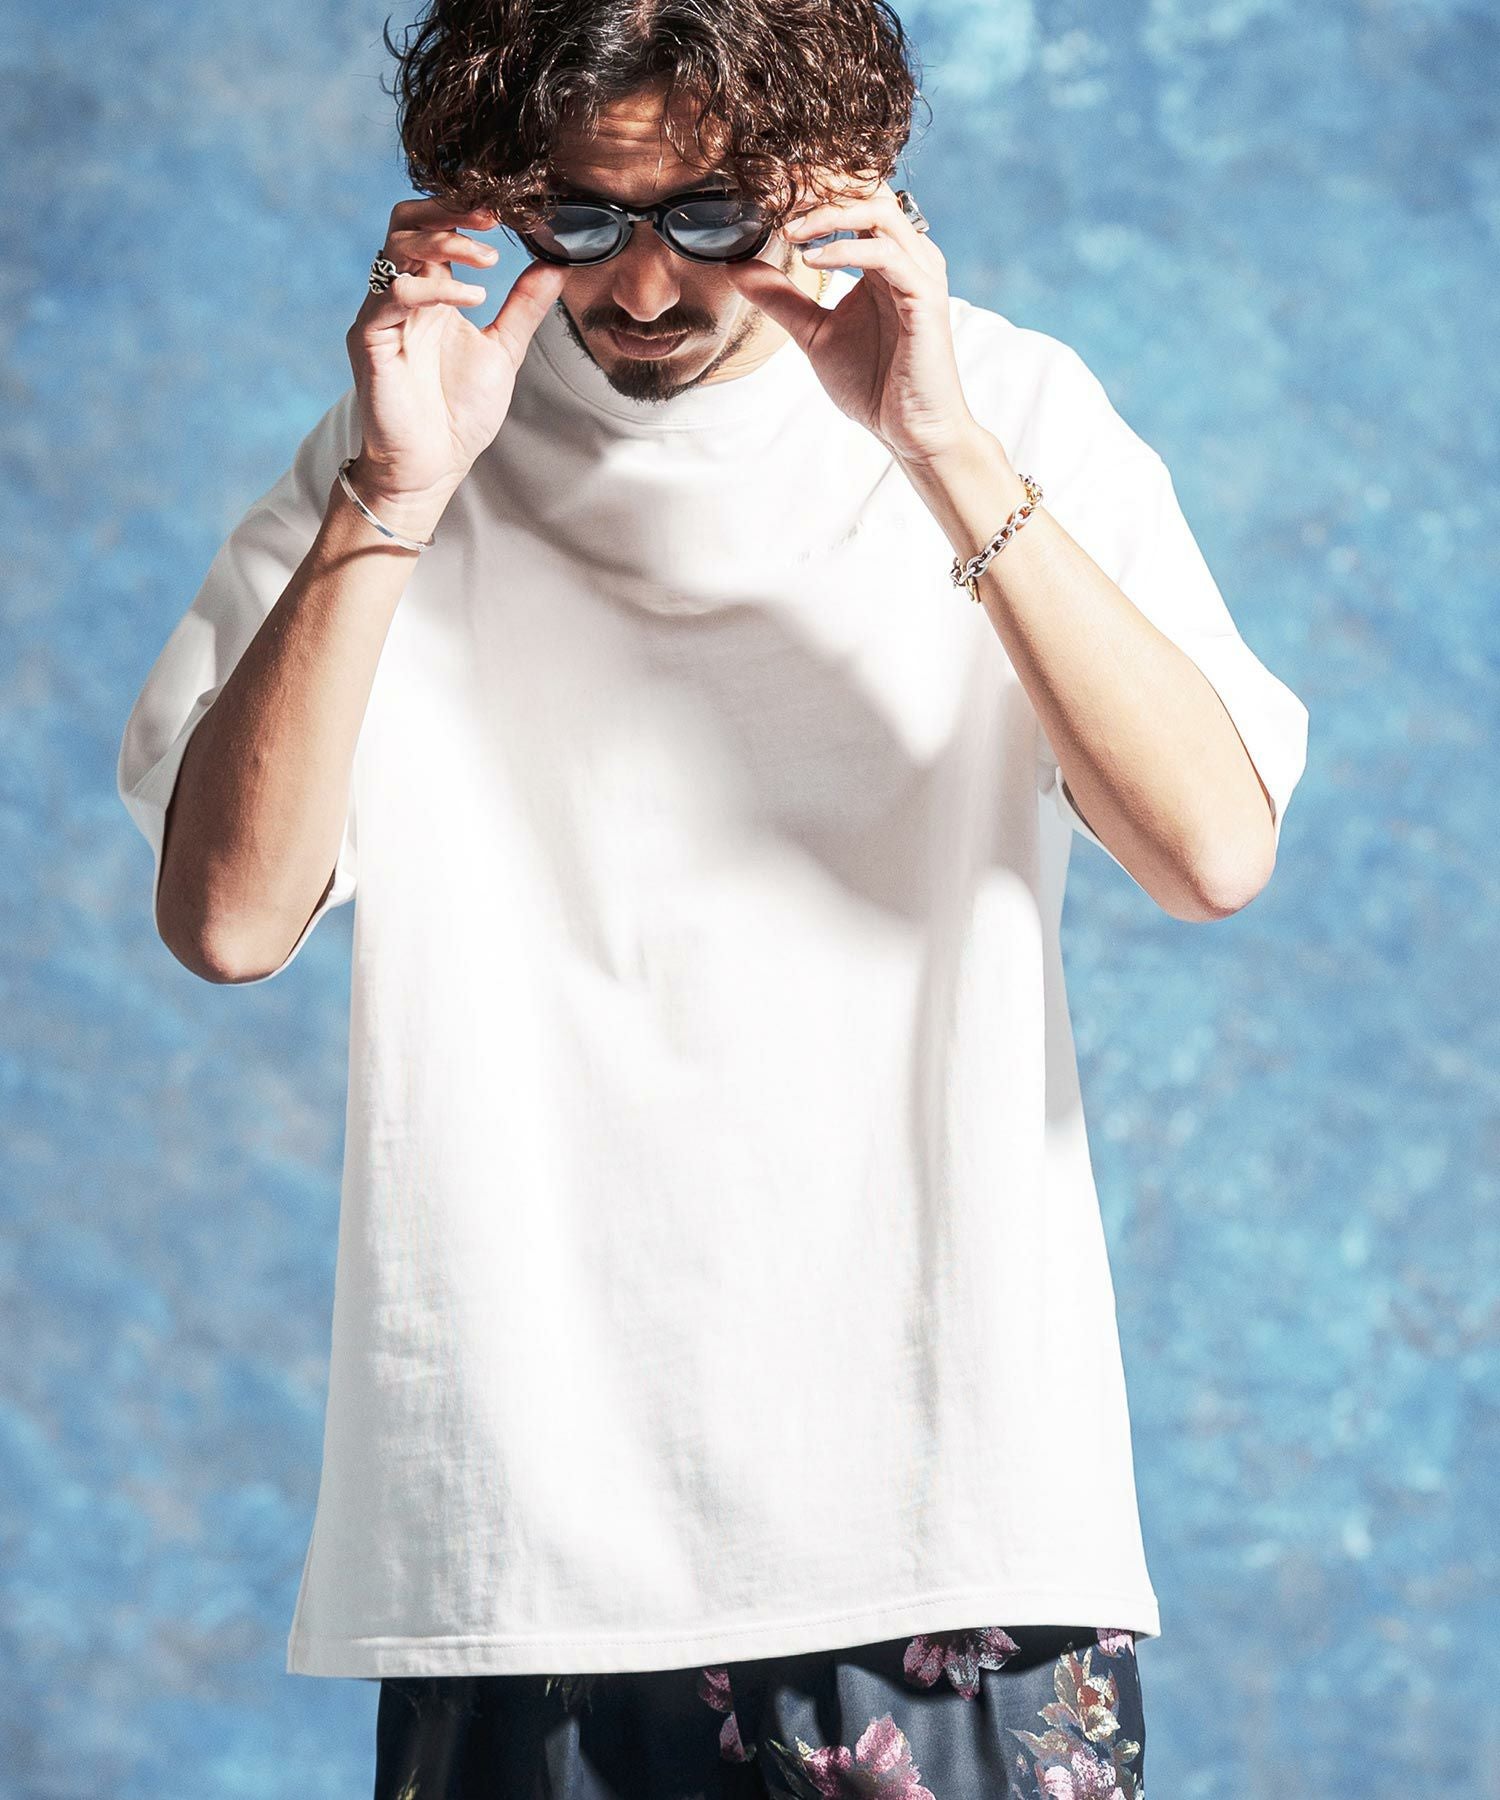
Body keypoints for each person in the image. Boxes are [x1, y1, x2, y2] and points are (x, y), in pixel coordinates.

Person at [116, 1, 1309, 1793]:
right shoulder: (410, 434)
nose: (647, 286)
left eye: (711, 216)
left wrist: (936, 446)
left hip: (948, 1515)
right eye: (584, 221)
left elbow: (1210, 853)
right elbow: (226, 922)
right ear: (500, 197)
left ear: (835, 179)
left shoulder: (1003, 405)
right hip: (520, 1553)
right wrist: (390, 494)